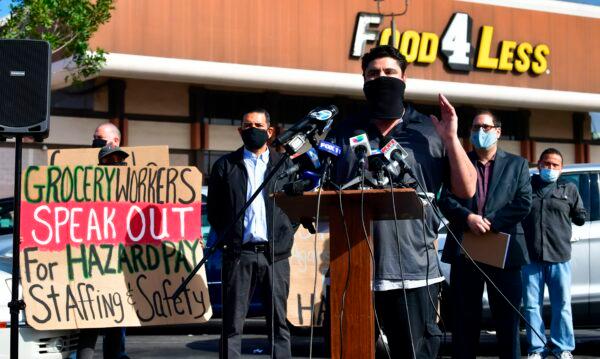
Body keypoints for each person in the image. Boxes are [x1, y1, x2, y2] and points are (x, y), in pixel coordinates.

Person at [332, 45, 477, 359]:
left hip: (414, 271)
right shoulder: (345, 131)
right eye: (373, 74)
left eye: (389, 73)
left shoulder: (429, 131)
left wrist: (452, 138)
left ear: (404, 79)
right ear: (363, 80)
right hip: (354, 268)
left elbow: (466, 190)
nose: (381, 78)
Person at [439, 110, 532, 359]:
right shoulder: (457, 161)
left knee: (508, 323)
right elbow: (444, 200)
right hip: (465, 251)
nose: (481, 132)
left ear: (498, 131)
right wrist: (467, 218)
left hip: (504, 252)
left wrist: (492, 222)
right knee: (464, 322)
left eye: (486, 127)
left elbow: (524, 202)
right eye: (476, 127)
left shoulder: (518, 164)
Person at [207, 108, 297, 359]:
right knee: (232, 324)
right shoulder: (226, 165)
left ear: (270, 131)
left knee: (278, 323)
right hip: (239, 254)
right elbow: (215, 211)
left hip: (275, 255)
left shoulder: (284, 164)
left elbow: (297, 208)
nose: (252, 130)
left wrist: (285, 235)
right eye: (247, 126)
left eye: (258, 125)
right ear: (239, 131)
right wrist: (229, 239)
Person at [521, 148, 586, 359]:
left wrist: (578, 216)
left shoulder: (569, 189)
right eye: (546, 164)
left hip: (560, 257)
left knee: (562, 305)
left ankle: (563, 347)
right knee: (531, 306)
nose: (550, 168)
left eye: (555, 165)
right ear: (539, 165)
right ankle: (536, 349)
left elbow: (580, 215)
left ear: (561, 168)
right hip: (531, 257)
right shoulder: (527, 188)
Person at [76, 127, 129, 359]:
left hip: (120, 269)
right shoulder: (85, 187)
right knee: (89, 327)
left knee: (116, 327)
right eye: (109, 160)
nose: (114, 163)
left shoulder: (132, 185)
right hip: (92, 267)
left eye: (118, 159)